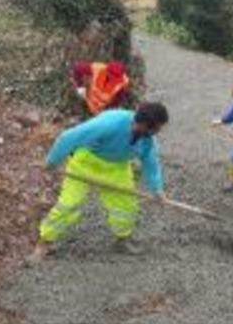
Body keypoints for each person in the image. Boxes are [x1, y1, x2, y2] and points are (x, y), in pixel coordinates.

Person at [28, 102, 170, 262]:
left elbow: (151, 163)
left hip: (116, 169)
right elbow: (69, 137)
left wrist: (157, 190)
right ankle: (45, 242)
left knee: (125, 207)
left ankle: (122, 240)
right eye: (156, 128)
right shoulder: (109, 123)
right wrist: (52, 162)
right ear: (144, 124)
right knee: (69, 204)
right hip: (86, 163)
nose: (158, 132)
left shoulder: (148, 140)